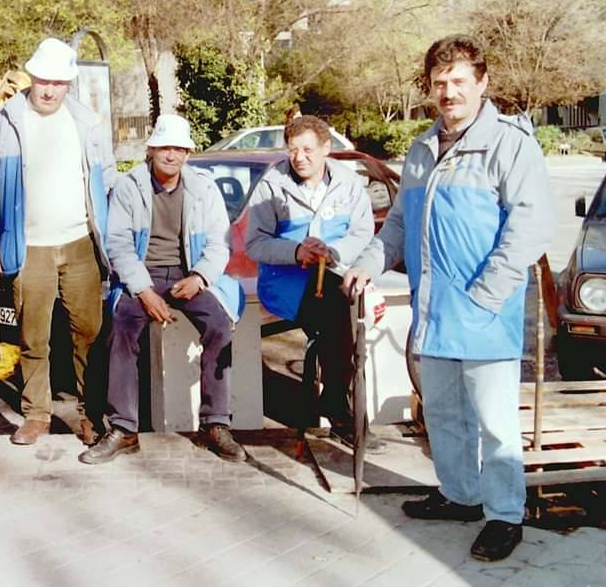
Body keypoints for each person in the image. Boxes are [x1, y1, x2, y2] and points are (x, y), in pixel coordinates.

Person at [343, 35, 553, 562]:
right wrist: (369, 263)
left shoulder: (510, 144)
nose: (449, 92)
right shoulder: (421, 149)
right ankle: (461, 495)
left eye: (459, 81)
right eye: (440, 83)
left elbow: (529, 228)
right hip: (434, 313)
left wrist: (488, 295)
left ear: (482, 83)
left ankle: (506, 514)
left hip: (485, 313)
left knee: (495, 423)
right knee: (443, 414)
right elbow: (397, 225)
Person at [0, 37, 115, 446]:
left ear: (69, 83)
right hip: (28, 246)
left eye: (59, 82)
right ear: (31, 77)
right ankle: (36, 414)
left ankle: (91, 415)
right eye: (43, 80)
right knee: (34, 336)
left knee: (89, 332)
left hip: (79, 243)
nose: (50, 90)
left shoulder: (86, 123)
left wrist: (113, 239)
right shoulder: (5, 122)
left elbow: (108, 183)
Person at [80, 114, 246, 465]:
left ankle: (215, 424)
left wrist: (200, 277)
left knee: (219, 325)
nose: (171, 155)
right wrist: (143, 291)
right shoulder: (130, 186)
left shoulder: (204, 187)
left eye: (179, 148)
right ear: (151, 149)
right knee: (123, 327)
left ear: (187, 153)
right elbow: (120, 245)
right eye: (164, 147)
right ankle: (124, 429)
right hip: (145, 273)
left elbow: (219, 244)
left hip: (189, 273)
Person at [244, 115, 383, 452]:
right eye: (293, 150)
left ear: (326, 148)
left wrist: (332, 253)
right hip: (286, 279)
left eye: (307, 149)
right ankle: (338, 409)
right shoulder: (271, 184)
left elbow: (363, 232)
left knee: (345, 311)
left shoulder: (349, 182)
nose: (299, 158)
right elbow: (255, 244)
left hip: (335, 272)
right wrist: (296, 251)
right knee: (336, 314)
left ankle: (337, 401)